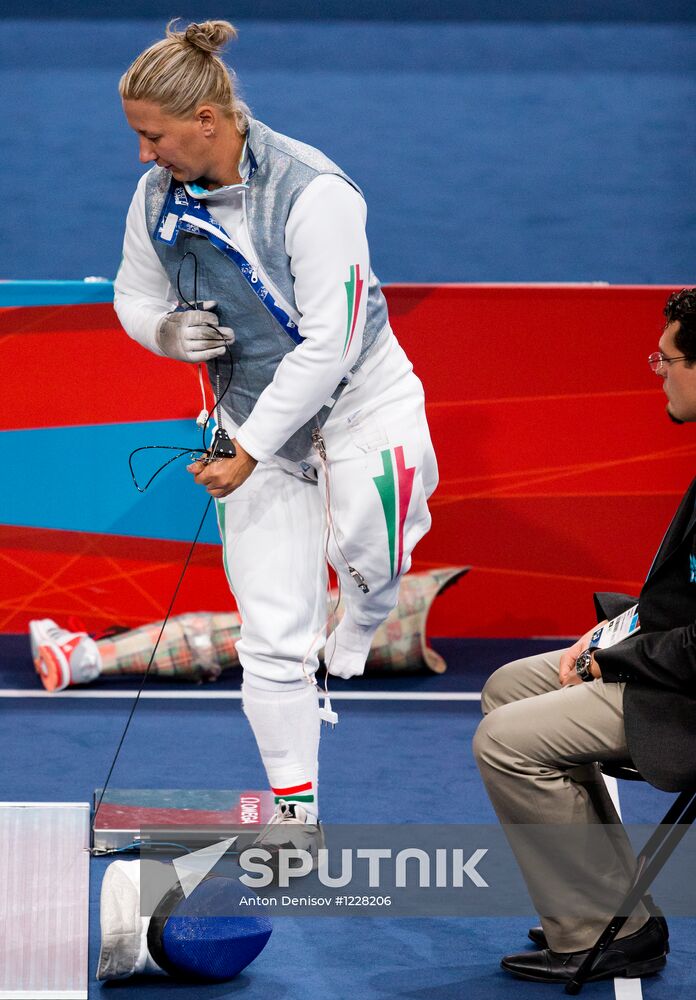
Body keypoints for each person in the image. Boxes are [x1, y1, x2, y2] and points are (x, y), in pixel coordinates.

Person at [112, 20, 438, 846]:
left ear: (207, 122)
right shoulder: (156, 198)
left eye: (155, 137)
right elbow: (131, 292)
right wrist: (163, 332)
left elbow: (328, 347)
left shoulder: (316, 193)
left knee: (372, 555)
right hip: (250, 421)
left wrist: (248, 449)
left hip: (364, 406)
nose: (146, 156)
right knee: (270, 634)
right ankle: (298, 818)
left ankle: (366, 615)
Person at [472, 287, 696, 984]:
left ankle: (603, 928)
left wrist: (614, 661)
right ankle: (609, 911)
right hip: (672, 662)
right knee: (509, 688)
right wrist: (612, 630)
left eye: (666, 361)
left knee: (506, 743)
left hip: (686, 690)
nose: (656, 371)